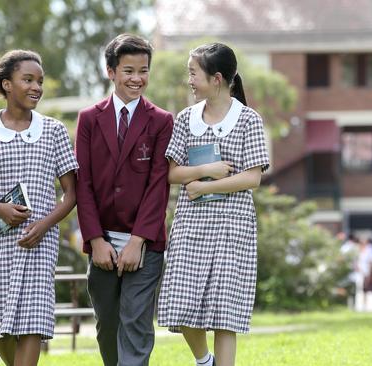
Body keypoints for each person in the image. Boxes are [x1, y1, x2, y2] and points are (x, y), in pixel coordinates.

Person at [0, 50, 78, 366]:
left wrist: (44, 225)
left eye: (40, 81)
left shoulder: (54, 131)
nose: (36, 87)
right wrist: (0, 209)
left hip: (40, 242)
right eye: (28, 80)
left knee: (33, 323)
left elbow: (71, 194)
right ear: (7, 84)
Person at [157, 42, 270, 366]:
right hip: (191, 225)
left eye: (194, 73)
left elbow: (252, 178)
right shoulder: (185, 118)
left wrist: (206, 188)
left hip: (233, 225)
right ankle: (204, 360)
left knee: (224, 313)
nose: (189, 80)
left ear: (216, 78)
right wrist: (205, 171)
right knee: (181, 304)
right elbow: (171, 173)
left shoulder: (248, 119)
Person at [75, 34, 173, 366]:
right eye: (128, 70)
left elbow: (158, 184)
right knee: (108, 326)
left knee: (136, 324)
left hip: (145, 243)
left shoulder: (161, 121)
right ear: (110, 71)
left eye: (143, 71)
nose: (136, 79)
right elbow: (83, 183)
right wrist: (95, 239)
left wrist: (138, 241)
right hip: (101, 241)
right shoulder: (89, 119)